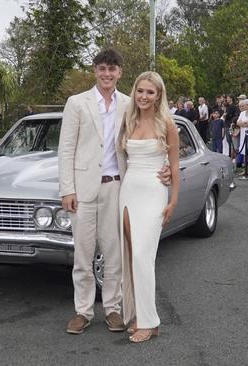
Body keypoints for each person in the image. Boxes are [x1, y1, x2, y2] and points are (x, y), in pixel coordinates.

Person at [58, 49, 169, 335]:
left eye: (113, 69)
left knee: (114, 254)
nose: (107, 74)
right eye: (102, 69)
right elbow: (66, 149)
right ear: (95, 70)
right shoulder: (76, 103)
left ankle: (113, 309)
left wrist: (166, 166)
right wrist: (67, 189)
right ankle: (82, 312)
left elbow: (154, 135)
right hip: (82, 191)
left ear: (120, 73)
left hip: (118, 187)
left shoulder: (129, 104)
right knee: (82, 255)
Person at [118, 71, 179, 343]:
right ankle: (142, 318)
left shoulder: (168, 124)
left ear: (159, 96)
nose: (144, 96)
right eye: (140, 91)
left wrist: (173, 200)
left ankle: (150, 321)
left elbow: (174, 166)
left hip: (154, 192)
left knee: (144, 256)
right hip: (128, 190)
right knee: (132, 255)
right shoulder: (128, 120)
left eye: (150, 92)